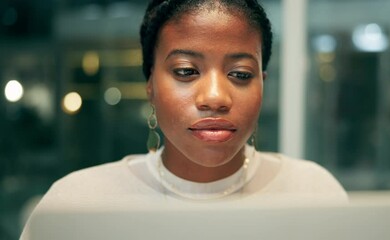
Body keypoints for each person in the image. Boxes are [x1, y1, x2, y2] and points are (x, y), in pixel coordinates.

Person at [21, 0, 347, 238]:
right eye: (186, 71)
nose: (216, 98)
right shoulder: (79, 203)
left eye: (240, 74)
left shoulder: (312, 192)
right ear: (150, 85)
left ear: (262, 83)